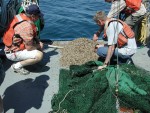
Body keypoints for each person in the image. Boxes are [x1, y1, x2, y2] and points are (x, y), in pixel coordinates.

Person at [3, 4, 44, 75]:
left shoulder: (20, 16)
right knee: (39, 55)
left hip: (10, 47)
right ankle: (16, 66)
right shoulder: (26, 27)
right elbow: (29, 48)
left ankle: (27, 60)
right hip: (12, 53)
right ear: (33, 16)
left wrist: (37, 42)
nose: (39, 17)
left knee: (37, 44)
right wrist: (39, 46)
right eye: (38, 16)